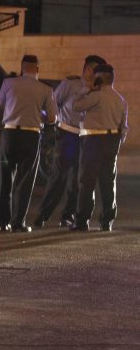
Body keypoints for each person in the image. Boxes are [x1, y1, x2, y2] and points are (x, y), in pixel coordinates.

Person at [33, 55, 106, 228]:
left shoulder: (98, 89)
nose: (96, 74)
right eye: (95, 70)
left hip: (86, 137)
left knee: (77, 180)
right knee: (58, 176)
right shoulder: (70, 83)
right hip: (67, 134)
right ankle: (43, 214)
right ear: (87, 69)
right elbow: (54, 103)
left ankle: (68, 215)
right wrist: (55, 124)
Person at [0, 55, 57, 232]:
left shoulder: (9, 83)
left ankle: (2, 222)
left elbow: (0, 102)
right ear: (37, 69)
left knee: (5, 177)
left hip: (9, 134)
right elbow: (52, 118)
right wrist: (40, 113)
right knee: (25, 179)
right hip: (30, 136)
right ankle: (18, 222)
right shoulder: (45, 89)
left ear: (21, 68)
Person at [69, 64, 128, 232]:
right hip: (112, 140)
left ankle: (82, 221)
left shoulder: (96, 96)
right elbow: (124, 126)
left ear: (99, 80)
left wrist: (86, 90)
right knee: (108, 182)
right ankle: (106, 222)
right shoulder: (120, 99)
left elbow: (76, 106)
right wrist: (118, 141)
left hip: (93, 141)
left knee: (87, 182)